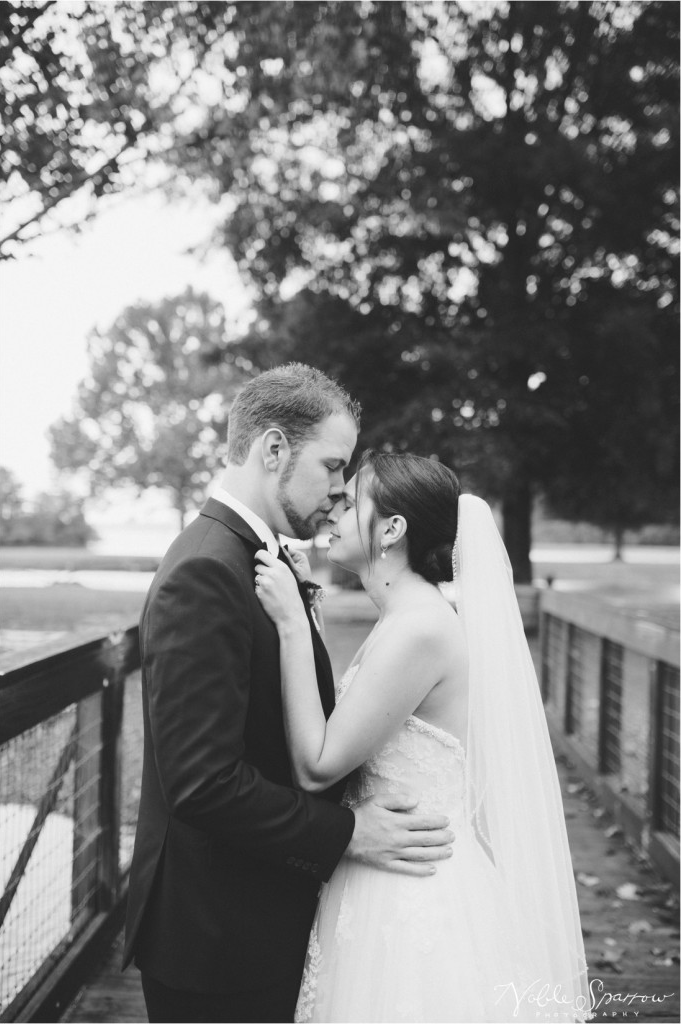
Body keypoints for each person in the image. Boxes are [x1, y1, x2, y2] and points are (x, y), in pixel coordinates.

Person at [123, 366, 454, 1024]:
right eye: (333, 465)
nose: (339, 489)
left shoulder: (257, 559)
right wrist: (349, 832)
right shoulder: (206, 571)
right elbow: (202, 783)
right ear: (273, 450)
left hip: (258, 918)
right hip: (216, 940)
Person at [255, 449, 591, 1023]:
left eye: (350, 500)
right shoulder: (406, 617)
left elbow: (318, 763)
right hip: (384, 868)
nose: (332, 509)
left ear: (391, 529)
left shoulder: (419, 630)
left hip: (416, 898)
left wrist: (289, 625)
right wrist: (309, 609)